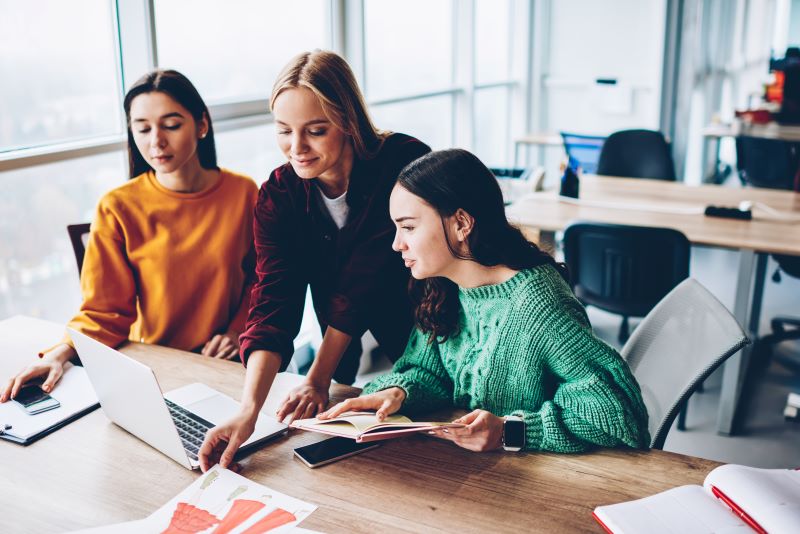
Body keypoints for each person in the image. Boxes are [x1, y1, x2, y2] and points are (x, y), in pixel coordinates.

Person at [319, 148, 650, 453]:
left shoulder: (538, 306)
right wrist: (400, 392)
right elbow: (429, 370)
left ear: (461, 224)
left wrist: (511, 431)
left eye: (408, 227)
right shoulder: (445, 283)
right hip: (474, 474)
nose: (396, 244)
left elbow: (618, 416)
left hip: (532, 488)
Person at [198, 50, 430, 471]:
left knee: (435, 407)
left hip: (429, 315)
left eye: (316, 131)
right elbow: (272, 301)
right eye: (283, 131)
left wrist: (317, 376)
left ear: (348, 121)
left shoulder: (402, 163)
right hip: (338, 322)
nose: (296, 148)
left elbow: (363, 280)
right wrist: (249, 409)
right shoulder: (279, 196)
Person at [0, 69, 257, 403]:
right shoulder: (117, 207)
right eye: (143, 127)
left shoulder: (244, 193)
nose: (156, 141)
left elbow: (262, 280)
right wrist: (58, 355)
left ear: (202, 125)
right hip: (152, 369)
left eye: (172, 124)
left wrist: (238, 330)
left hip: (224, 365)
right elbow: (103, 310)